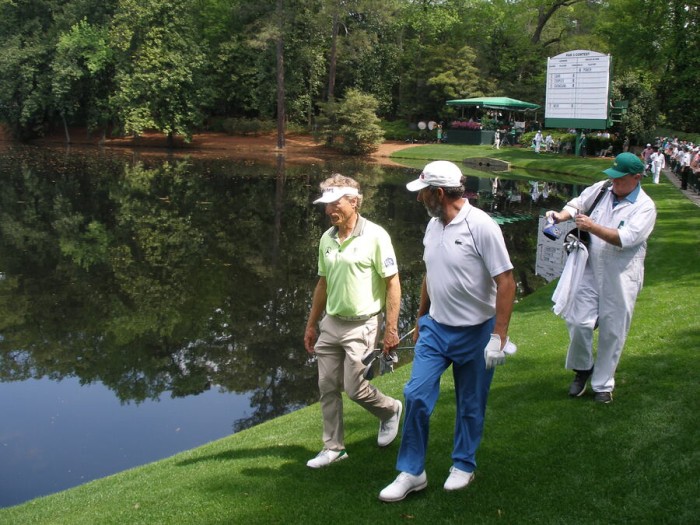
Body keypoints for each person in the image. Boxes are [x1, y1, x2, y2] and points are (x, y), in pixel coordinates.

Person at [378, 161, 516, 502]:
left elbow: (506, 281)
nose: (419, 198)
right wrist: (421, 318)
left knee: (471, 403)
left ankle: (463, 464)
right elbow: (430, 272)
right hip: (437, 330)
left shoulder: (482, 226)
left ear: (439, 193)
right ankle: (412, 471)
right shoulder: (433, 225)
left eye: (423, 192)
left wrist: (499, 336)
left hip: (476, 332)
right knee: (416, 394)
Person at [304, 174, 403, 468]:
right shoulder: (327, 238)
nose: (329, 209)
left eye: (335, 203)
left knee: (355, 387)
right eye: (326, 204)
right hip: (331, 323)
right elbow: (322, 283)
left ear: (354, 201)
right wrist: (311, 324)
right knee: (327, 386)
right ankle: (333, 448)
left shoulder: (376, 235)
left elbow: (393, 283)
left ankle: (389, 410)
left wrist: (392, 329)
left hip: (363, 324)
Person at [545, 153, 657, 404]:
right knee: (578, 321)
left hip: (621, 275)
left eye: (620, 179)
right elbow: (577, 204)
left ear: (637, 178)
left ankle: (603, 385)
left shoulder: (645, 206)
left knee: (612, 330)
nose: (614, 183)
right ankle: (583, 368)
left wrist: (592, 227)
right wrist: (560, 216)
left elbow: (625, 239)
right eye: (613, 178)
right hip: (589, 268)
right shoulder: (603, 189)